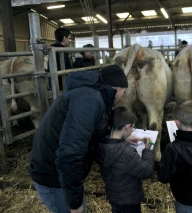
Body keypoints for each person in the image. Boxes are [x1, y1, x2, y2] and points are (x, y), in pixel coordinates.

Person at [29, 65, 140, 213]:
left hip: (60, 175)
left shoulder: (91, 96)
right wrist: (74, 204)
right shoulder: (89, 100)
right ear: (116, 88)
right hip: (54, 177)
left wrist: (121, 136)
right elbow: (70, 153)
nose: (121, 98)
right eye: (123, 93)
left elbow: (90, 131)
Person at [98, 106, 154, 213]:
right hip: (129, 200)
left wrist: (124, 138)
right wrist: (147, 150)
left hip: (113, 196)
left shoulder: (101, 146)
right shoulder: (126, 153)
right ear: (127, 127)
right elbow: (146, 171)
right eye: (132, 128)